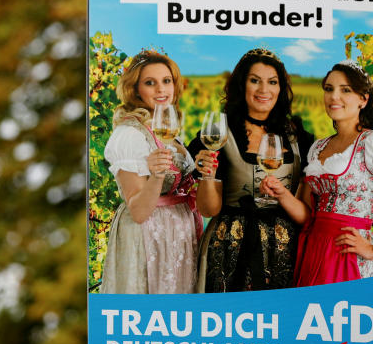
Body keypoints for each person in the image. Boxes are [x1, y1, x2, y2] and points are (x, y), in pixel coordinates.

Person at [261, 60, 373, 286]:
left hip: (349, 254)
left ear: (363, 99)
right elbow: (307, 214)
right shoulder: (318, 147)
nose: (334, 96)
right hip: (314, 250)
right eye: (329, 89)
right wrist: (281, 194)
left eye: (345, 90)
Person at [189, 48, 314, 292]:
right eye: (254, 80)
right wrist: (207, 173)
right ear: (241, 85)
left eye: (272, 82)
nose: (264, 90)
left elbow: (306, 212)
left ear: (280, 88)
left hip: (284, 252)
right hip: (229, 249)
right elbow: (208, 209)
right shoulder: (220, 132)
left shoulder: (298, 136)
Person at [101, 50, 200, 294]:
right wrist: (156, 176)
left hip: (178, 236)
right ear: (135, 90)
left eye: (166, 81)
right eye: (150, 83)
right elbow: (138, 211)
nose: (161, 89)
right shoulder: (129, 135)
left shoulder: (168, 130)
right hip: (149, 237)